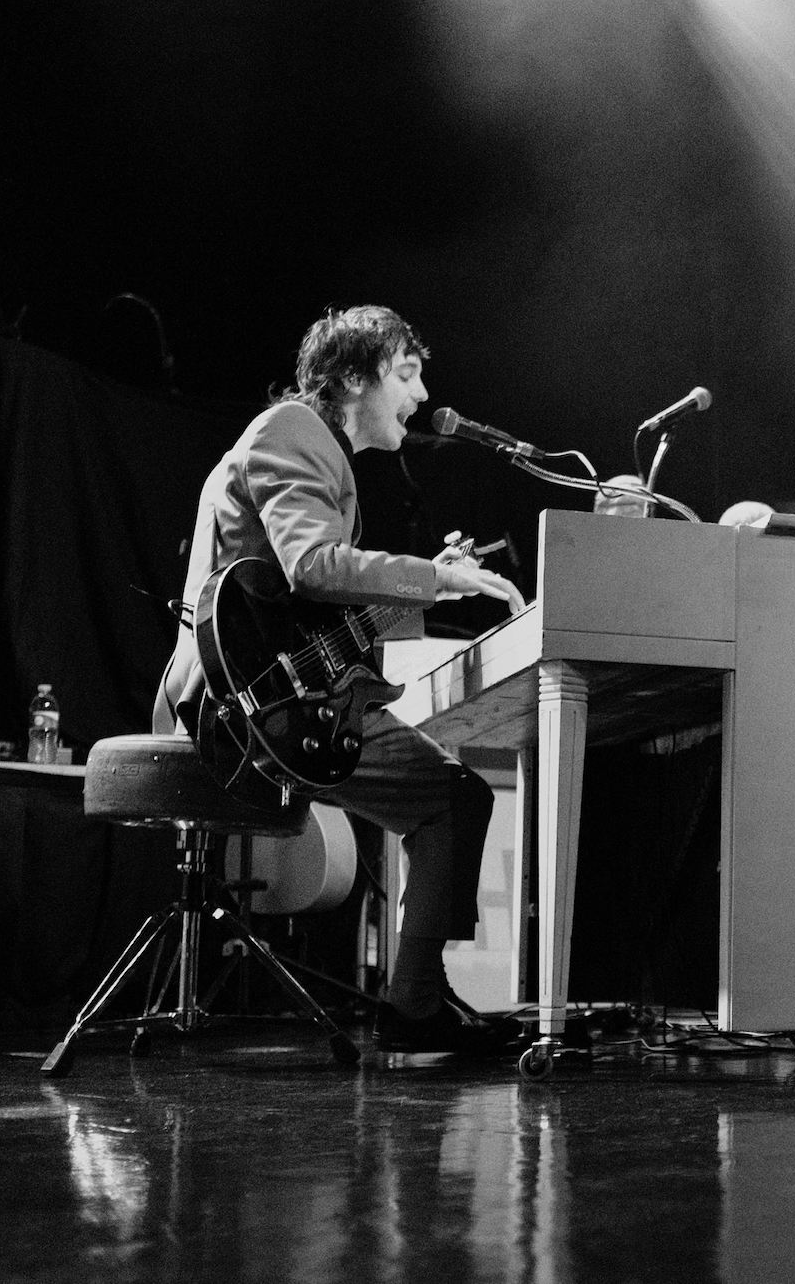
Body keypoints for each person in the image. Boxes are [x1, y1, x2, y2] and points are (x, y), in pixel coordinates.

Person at [156, 305, 523, 1053]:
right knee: (453, 800)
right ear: (353, 377)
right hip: (246, 708)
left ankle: (417, 997)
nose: (421, 396)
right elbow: (314, 566)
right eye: (406, 374)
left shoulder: (308, 446)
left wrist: (427, 583)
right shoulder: (295, 430)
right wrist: (436, 579)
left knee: (451, 798)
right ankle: (415, 1003)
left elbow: (304, 602)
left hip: (258, 697)